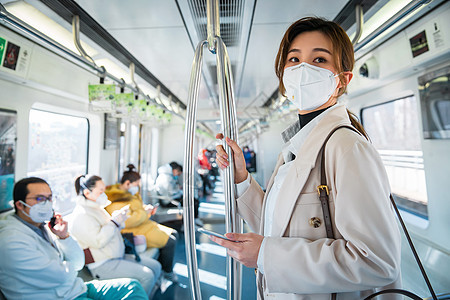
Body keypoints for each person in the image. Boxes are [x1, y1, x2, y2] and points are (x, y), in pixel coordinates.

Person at [213, 17, 401, 299]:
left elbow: (377, 262)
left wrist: (266, 255)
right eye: (294, 59)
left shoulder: (347, 147)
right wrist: (241, 177)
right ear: (283, 76)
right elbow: (279, 224)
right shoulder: (295, 146)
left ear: (342, 80)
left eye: (320, 60)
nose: (303, 69)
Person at [0, 177, 148, 300]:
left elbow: (78, 263)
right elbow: (59, 276)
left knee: (132, 287)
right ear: (20, 205)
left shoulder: (41, 227)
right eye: (40, 198)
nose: (47, 203)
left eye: (49, 198)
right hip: (58, 296)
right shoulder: (11, 240)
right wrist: (67, 267)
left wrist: (64, 237)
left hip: (74, 288)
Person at [69, 174, 162, 296]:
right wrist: (114, 222)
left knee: (156, 266)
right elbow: (98, 241)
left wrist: (119, 221)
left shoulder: (96, 208)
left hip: (115, 255)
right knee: (147, 276)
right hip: (102, 263)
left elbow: (108, 229)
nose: (104, 194)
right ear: (87, 193)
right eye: (101, 191)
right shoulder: (81, 215)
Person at [105, 164, 179, 282]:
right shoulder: (115, 200)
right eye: (136, 185)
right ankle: (167, 272)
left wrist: (146, 209)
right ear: (128, 183)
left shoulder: (130, 194)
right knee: (170, 241)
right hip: (131, 231)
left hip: (142, 225)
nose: (137, 187)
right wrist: (145, 212)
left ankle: (163, 269)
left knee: (174, 233)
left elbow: (137, 208)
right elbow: (128, 220)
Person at [155, 161, 202, 225]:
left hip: (170, 198)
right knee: (193, 202)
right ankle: (192, 222)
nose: (177, 175)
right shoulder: (165, 177)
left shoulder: (167, 176)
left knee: (193, 200)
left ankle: (193, 220)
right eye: (178, 173)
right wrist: (179, 190)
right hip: (169, 201)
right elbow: (171, 191)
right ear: (174, 170)